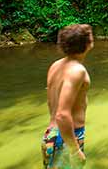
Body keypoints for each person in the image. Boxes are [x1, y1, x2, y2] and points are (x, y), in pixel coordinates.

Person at [42, 24, 93, 168]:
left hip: (51, 135)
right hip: (66, 137)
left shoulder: (55, 66)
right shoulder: (77, 71)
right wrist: (75, 150)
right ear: (87, 44)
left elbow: (50, 103)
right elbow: (62, 114)